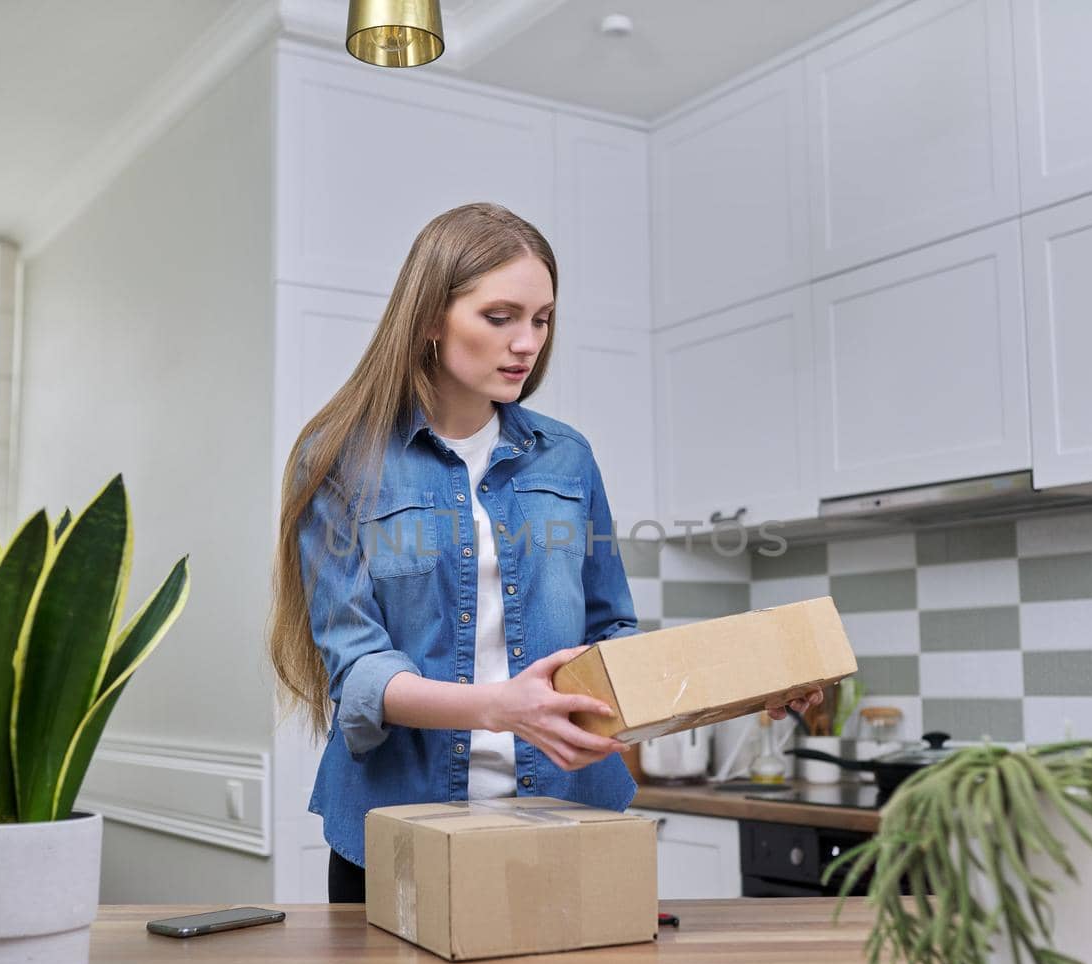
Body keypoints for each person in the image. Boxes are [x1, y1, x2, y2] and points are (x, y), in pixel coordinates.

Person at [268, 203, 820, 904]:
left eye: (542, 318)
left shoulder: (567, 458)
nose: (526, 342)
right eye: (499, 317)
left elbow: (611, 635)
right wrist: (501, 706)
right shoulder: (339, 460)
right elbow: (361, 670)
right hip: (396, 831)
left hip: (569, 820)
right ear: (431, 317)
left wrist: (744, 684)